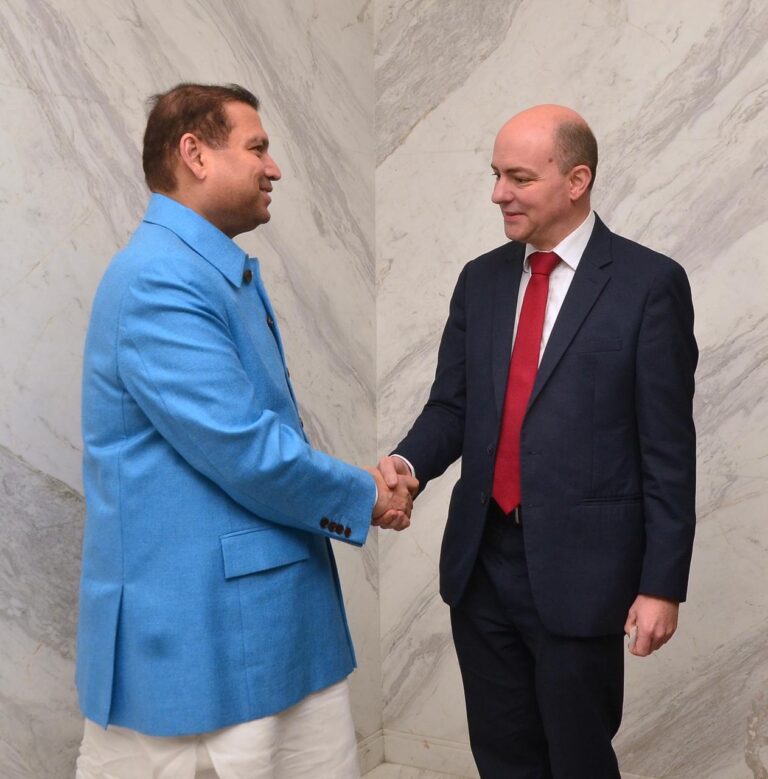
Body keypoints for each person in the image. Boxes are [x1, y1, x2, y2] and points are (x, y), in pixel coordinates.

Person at [75, 82, 415, 779]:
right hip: (209, 640)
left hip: (253, 627)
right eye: (257, 147)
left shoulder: (203, 268)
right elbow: (245, 449)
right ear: (194, 154)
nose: (274, 167)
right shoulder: (160, 281)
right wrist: (365, 495)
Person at [379, 104, 697, 778]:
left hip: (585, 575)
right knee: (504, 757)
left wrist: (662, 584)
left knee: (578, 760)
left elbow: (669, 450)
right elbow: (452, 406)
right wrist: (406, 464)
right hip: (480, 565)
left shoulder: (648, 286)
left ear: (576, 179)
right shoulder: (481, 281)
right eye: (496, 175)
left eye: (518, 177)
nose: (499, 193)